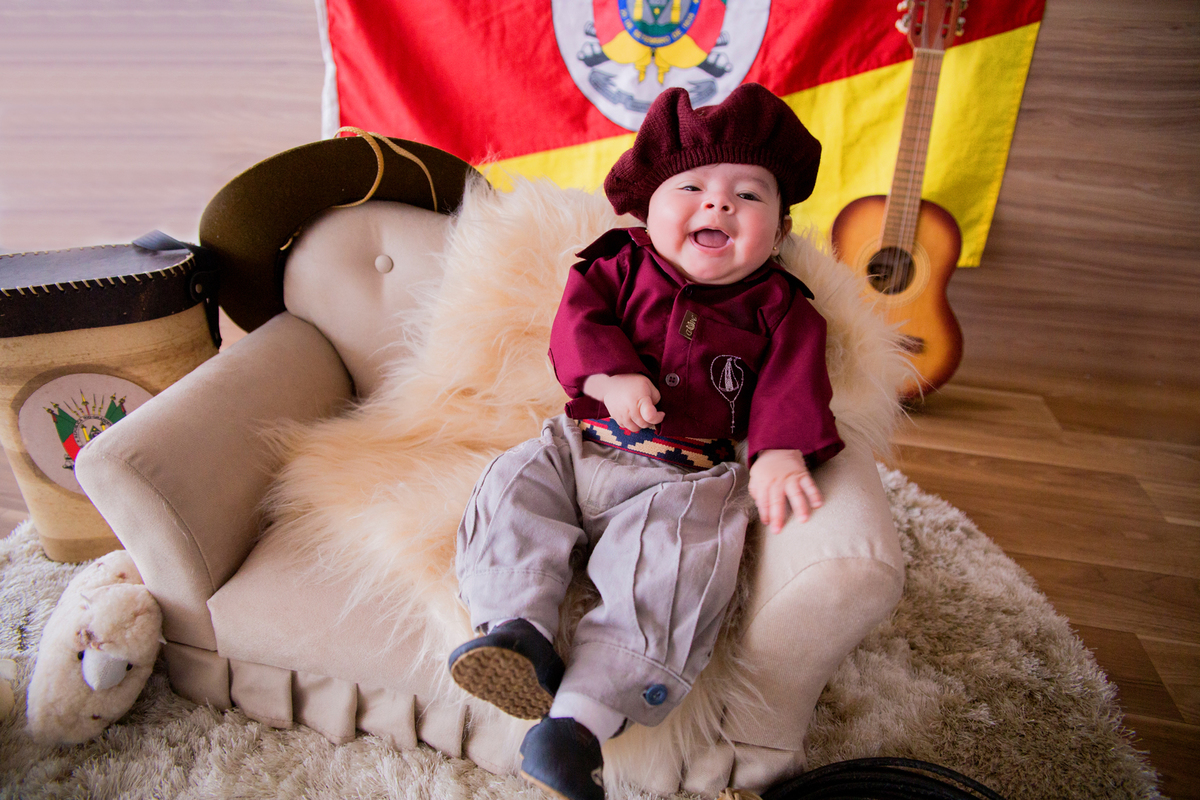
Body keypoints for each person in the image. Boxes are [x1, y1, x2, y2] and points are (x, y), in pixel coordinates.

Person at [448, 83, 843, 800]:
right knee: (512, 486)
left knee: (673, 574)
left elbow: (794, 386)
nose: (718, 204)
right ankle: (516, 630)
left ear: (780, 232)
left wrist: (781, 451)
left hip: (684, 480)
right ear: (648, 209)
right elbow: (576, 321)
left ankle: (574, 727)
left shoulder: (784, 310)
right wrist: (609, 375)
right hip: (581, 446)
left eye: (749, 196)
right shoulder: (615, 264)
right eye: (691, 187)